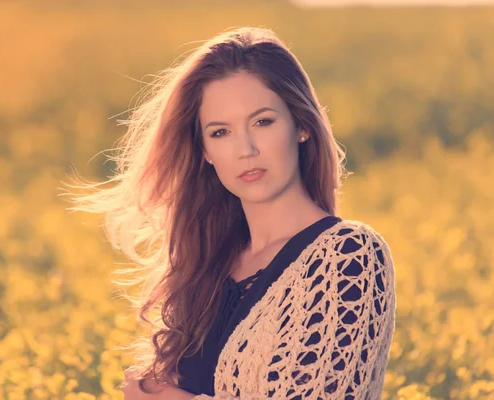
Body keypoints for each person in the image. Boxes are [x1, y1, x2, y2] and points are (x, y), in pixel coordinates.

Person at [62, 26, 396, 399]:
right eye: (221, 132)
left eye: (263, 122)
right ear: (204, 150)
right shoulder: (208, 264)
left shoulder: (349, 256)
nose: (246, 149)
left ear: (301, 125)